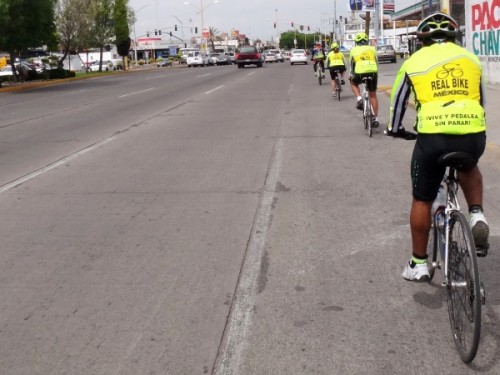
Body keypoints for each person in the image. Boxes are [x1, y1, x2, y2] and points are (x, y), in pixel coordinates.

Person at [386, 13, 489, 281]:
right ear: (454, 37)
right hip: (472, 131)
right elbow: (481, 101)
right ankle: (477, 214)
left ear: (422, 40)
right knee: (469, 165)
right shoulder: (471, 59)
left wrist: (395, 130)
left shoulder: (414, 61)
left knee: (422, 198)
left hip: (433, 137)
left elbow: (397, 103)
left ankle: (419, 263)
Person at [349, 32, 379, 127]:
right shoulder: (373, 49)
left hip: (360, 73)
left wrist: (351, 74)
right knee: (373, 95)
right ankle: (375, 118)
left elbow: (351, 65)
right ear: (366, 41)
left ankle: (359, 99)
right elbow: (376, 62)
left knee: (353, 83)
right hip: (372, 71)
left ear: (356, 42)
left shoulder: (353, 50)